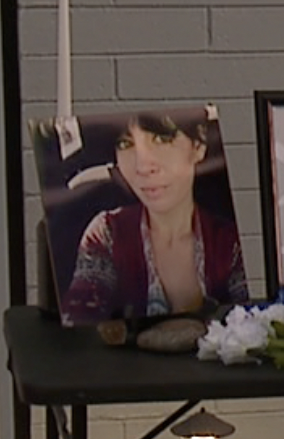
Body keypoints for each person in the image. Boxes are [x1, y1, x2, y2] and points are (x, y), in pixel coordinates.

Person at [62, 110, 247, 323]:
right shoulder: (107, 233)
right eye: (125, 144)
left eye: (161, 139)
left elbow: (250, 333)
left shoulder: (231, 242)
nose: (142, 167)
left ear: (198, 147)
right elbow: (80, 322)